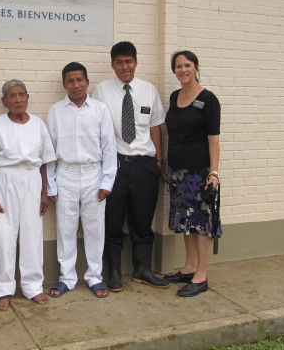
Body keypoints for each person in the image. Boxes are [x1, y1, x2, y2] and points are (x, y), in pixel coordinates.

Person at [92, 41, 168, 291]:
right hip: (116, 168)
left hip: (145, 166)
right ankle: (113, 273)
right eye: (119, 62)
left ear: (136, 62)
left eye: (129, 61)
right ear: (112, 64)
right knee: (113, 221)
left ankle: (142, 270)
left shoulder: (149, 90)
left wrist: (158, 160)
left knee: (142, 221)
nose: (124, 67)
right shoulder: (101, 91)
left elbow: (155, 125)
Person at [0, 80, 56, 311]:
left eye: (21, 95)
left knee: (32, 234)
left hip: (32, 180)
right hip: (5, 180)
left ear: (28, 97)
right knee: (5, 234)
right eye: (12, 96)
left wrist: (44, 191)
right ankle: (4, 289)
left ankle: (33, 286)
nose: (18, 100)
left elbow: (44, 162)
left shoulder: (38, 125)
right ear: (5, 101)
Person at [46, 62, 117, 299]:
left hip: (93, 174)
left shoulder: (100, 110)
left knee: (94, 228)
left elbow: (109, 148)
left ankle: (95, 276)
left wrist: (106, 182)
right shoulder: (56, 111)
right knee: (65, 228)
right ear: (64, 84)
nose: (76, 85)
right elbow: (50, 150)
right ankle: (67, 277)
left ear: (87, 82)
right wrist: (51, 183)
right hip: (65, 173)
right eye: (70, 81)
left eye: (80, 80)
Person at [164, 50, 222, 297]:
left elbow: (214, 139)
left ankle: (201, 275)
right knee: (186, 222)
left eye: (187, 65)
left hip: (200, 173)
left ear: (196, 67)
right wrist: (167, 163)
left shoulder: (208, 99)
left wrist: (214, 173)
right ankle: (188, 268)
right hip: (178, 172)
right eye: (178, 66)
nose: (183, 70)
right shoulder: (175, 96)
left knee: (202, 225)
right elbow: (174, 134)